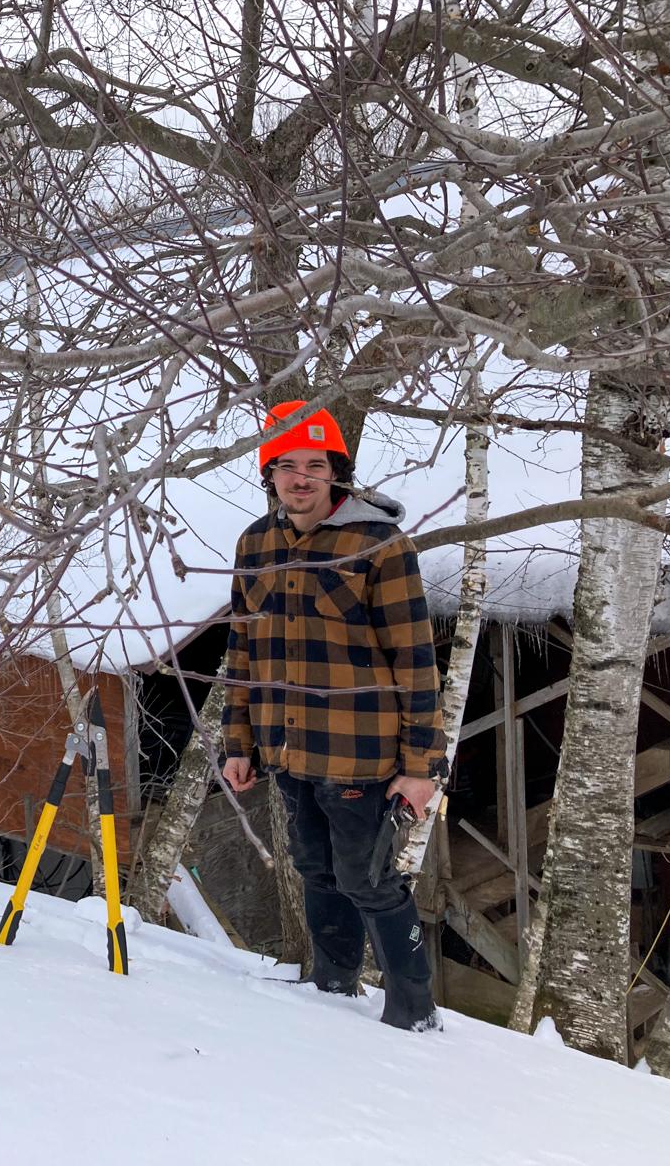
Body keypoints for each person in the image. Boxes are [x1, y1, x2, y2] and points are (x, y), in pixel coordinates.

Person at [220, 400, 447, 1031]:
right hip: (288, 749)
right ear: (269, 474)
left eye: (313, 466)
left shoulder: (378, 544)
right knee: (314, 869)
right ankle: (333, 989)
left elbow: (415, 661)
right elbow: (243, 652)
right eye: (285, 466)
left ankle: (413, 1010)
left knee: (368, 877)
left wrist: (421, 767)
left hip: (360, 753)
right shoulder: (255, 543)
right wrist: (238, 744)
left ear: (335, 471)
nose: (300, 478)